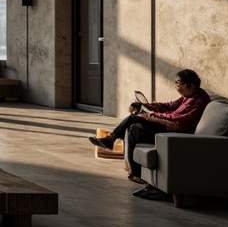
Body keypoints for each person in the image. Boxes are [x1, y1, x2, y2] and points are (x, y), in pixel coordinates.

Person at [87, 68, 210, 198]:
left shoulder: (199, 101)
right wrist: (147, 106)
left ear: (188, 85)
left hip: (175, 131)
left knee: (133, 118)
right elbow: (169, 105)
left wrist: (152, 115)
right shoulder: (188, 96)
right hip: (167, 125)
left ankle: (112, 139)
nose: (176, 86)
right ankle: (135, 173)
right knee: (134, 127)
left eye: (177, 83)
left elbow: (179, 119)